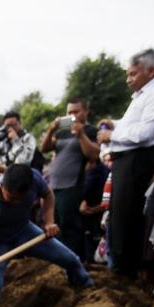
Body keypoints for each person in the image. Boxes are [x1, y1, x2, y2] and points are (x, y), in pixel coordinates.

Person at [0, 165, 93, 307]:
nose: (11, 200)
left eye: (16, 198)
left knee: (71, 259)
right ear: (2, 185)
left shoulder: (34, 179)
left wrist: (48, 221)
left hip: (25, 231)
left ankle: (86, 289)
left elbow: (48, 195)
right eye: (8, 195)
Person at [96, 49, 154, 277]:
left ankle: (125, 273)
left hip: (138, 159)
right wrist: (114, 124)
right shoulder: (142, 95)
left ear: (150, 71)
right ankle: (119, 268)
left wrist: (111, 136)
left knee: (128, 219)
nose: (128, 80)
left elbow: (147, 132)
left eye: (133, 74)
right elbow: (131, 124)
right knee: (118, 217)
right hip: (125, 160)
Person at [41, 98, 102, 260]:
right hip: (54, 187)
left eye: (76, 111)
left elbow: (94, 154)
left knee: (71, 227)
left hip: (73, 186)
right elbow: (44, 148)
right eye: (69, 112)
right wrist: (51, 130)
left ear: (86, 111)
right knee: (56, 226)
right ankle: (60, 260)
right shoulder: (62, 132)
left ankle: (74, 261)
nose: (72, 115)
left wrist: (80, 134)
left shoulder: (91, 131)